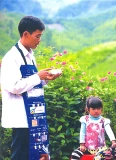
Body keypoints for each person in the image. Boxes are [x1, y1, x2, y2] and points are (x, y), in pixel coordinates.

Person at [1, 16, 62, 160]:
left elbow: (30, 84)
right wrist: (37, 76)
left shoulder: (30, 56)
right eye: (37, 36)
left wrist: (45, 78)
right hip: (22, 117)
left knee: (35, 155)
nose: (39, 40)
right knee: (20, 155)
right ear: (26, 34)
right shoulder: (11, 58)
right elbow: (14, 86)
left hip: (34, 115)